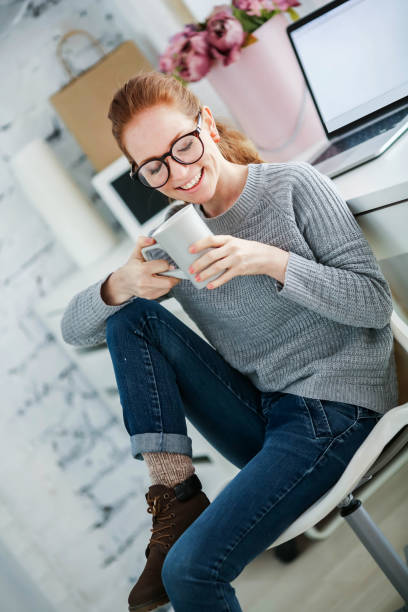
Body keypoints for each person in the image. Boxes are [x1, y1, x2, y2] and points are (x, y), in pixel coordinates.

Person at [61, 71, 398, 612]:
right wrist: (121, 282)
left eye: (183, 145)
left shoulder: (290, 186)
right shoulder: (175, 239)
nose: (177, 170)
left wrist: (270, 261)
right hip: (267, 419)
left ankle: (179, 525)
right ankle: (175, 498)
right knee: (131, 318)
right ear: (142, 174)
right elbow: (75, 330)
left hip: (339, 408)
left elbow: (373, 305)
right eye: (155, 166)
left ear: (207, 126)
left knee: (190, 573)